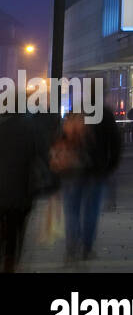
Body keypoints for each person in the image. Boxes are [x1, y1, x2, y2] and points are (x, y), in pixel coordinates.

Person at [51, 108, 123, 263]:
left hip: (71, 170)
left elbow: (59, 139)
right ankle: (87, 248)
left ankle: (71, 250)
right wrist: (110, 166)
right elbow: (116, 142)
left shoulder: (74, 112)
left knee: (71, 211)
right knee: (91, 210)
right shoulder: (105, 114)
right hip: (95, 171)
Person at [0, 112, 52, 273]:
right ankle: (10, 259)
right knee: (17, 224)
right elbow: (43, 155)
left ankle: (7, 254)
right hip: (20, 187)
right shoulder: (30, 125)